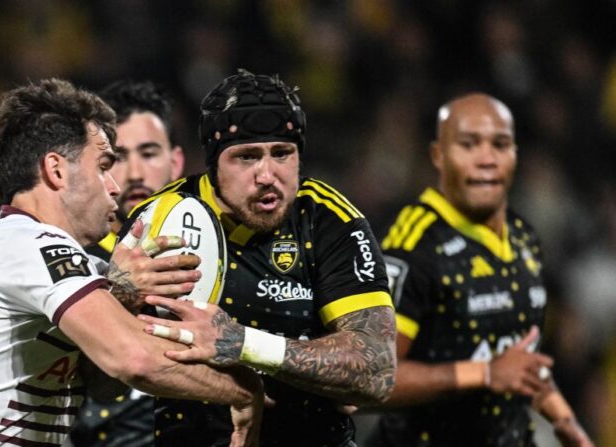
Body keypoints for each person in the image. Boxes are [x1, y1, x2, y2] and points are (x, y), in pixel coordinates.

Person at [0, 78, 264, 447]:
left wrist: (122, 296)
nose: (115, 186)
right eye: (103, 165)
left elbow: (104, 385)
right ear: (56, 170)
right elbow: (132, 359)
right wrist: (243, 391)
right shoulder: (28, 242)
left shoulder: (51, 258)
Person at [131, 69, 397, 446]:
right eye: (246, 157)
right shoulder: (162, 220)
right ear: (213, 164)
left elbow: (378, 370)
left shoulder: (330, 220)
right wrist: (121, 289)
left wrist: (241, 343)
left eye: (282, 154)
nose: (267, 174)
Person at [366, 93, 593, 446]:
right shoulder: (412, 245)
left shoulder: (523, 238)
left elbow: (519, 362)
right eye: (469, 145)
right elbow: (373, 379)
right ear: (438, 155)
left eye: (499, 144)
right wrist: (485, 374)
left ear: (515, 154)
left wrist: (565, 421)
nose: (486, 158)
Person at [67, 80, 184, 447]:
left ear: (176, 162)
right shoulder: (68, 258)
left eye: (148, 153)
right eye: (117, 158)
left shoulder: (217, 252)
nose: (134, 173)